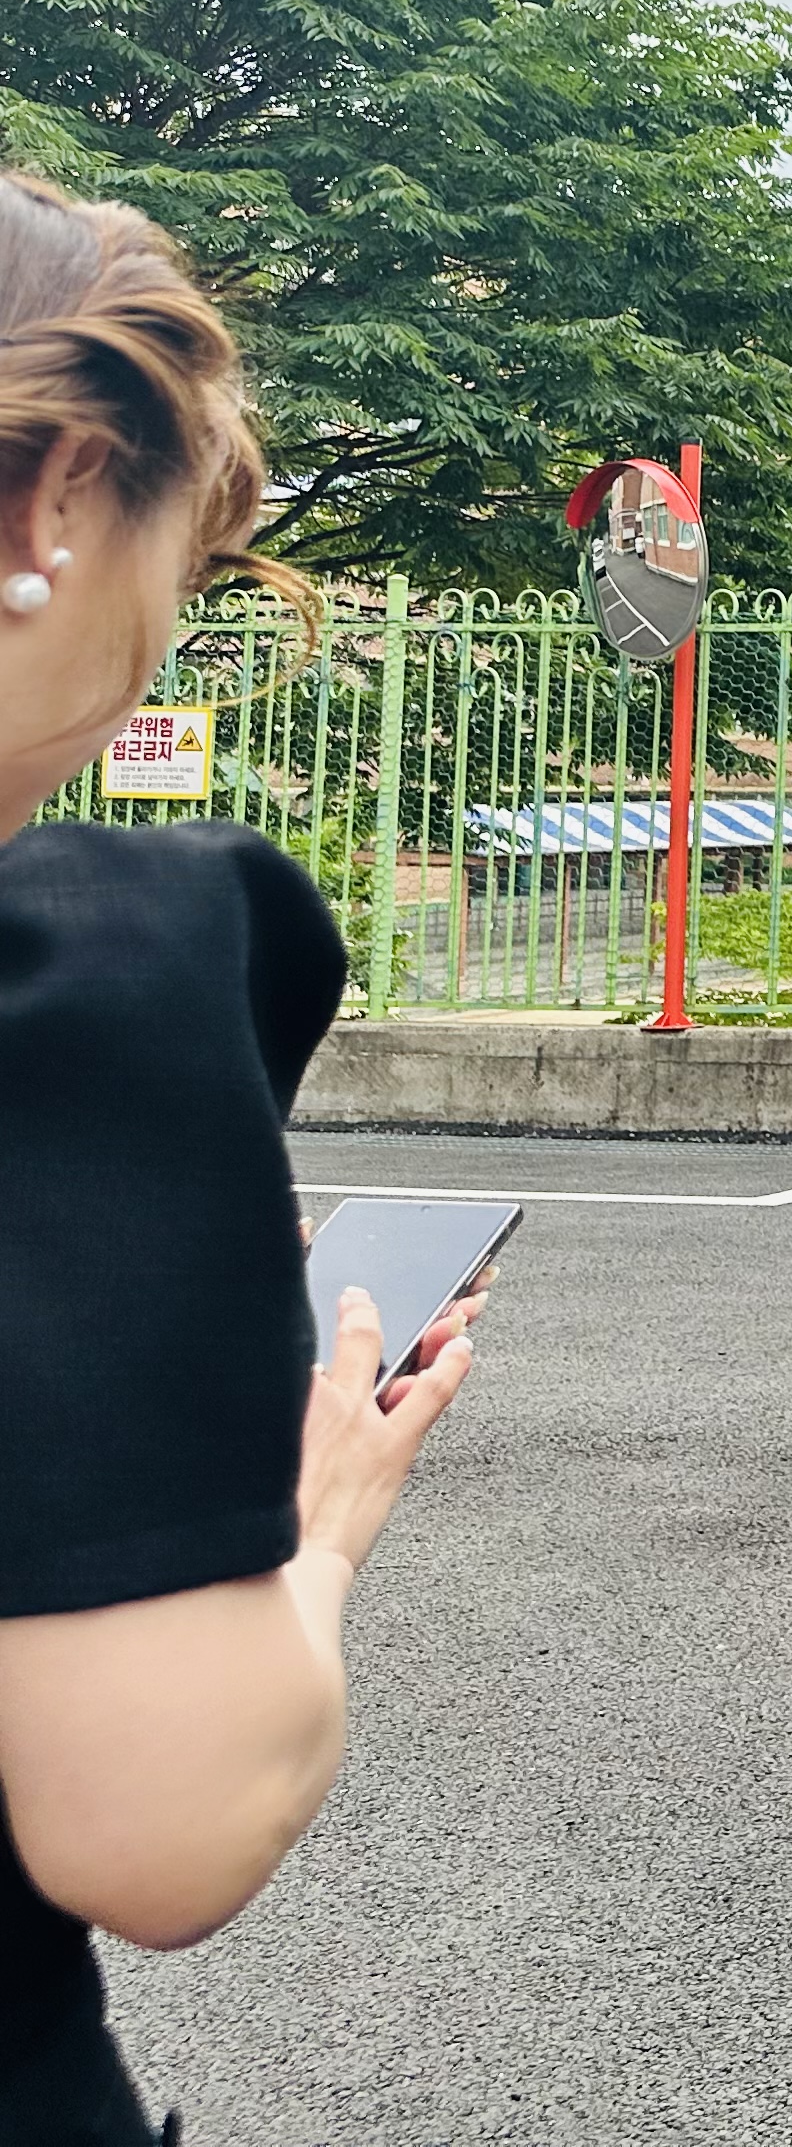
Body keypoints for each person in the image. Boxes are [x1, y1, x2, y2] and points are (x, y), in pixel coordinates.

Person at [0, 176, 479, 2146]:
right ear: (57, 500)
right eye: (179, 556)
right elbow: (162, 1832)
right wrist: (318, 1524)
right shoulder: (83, 988)